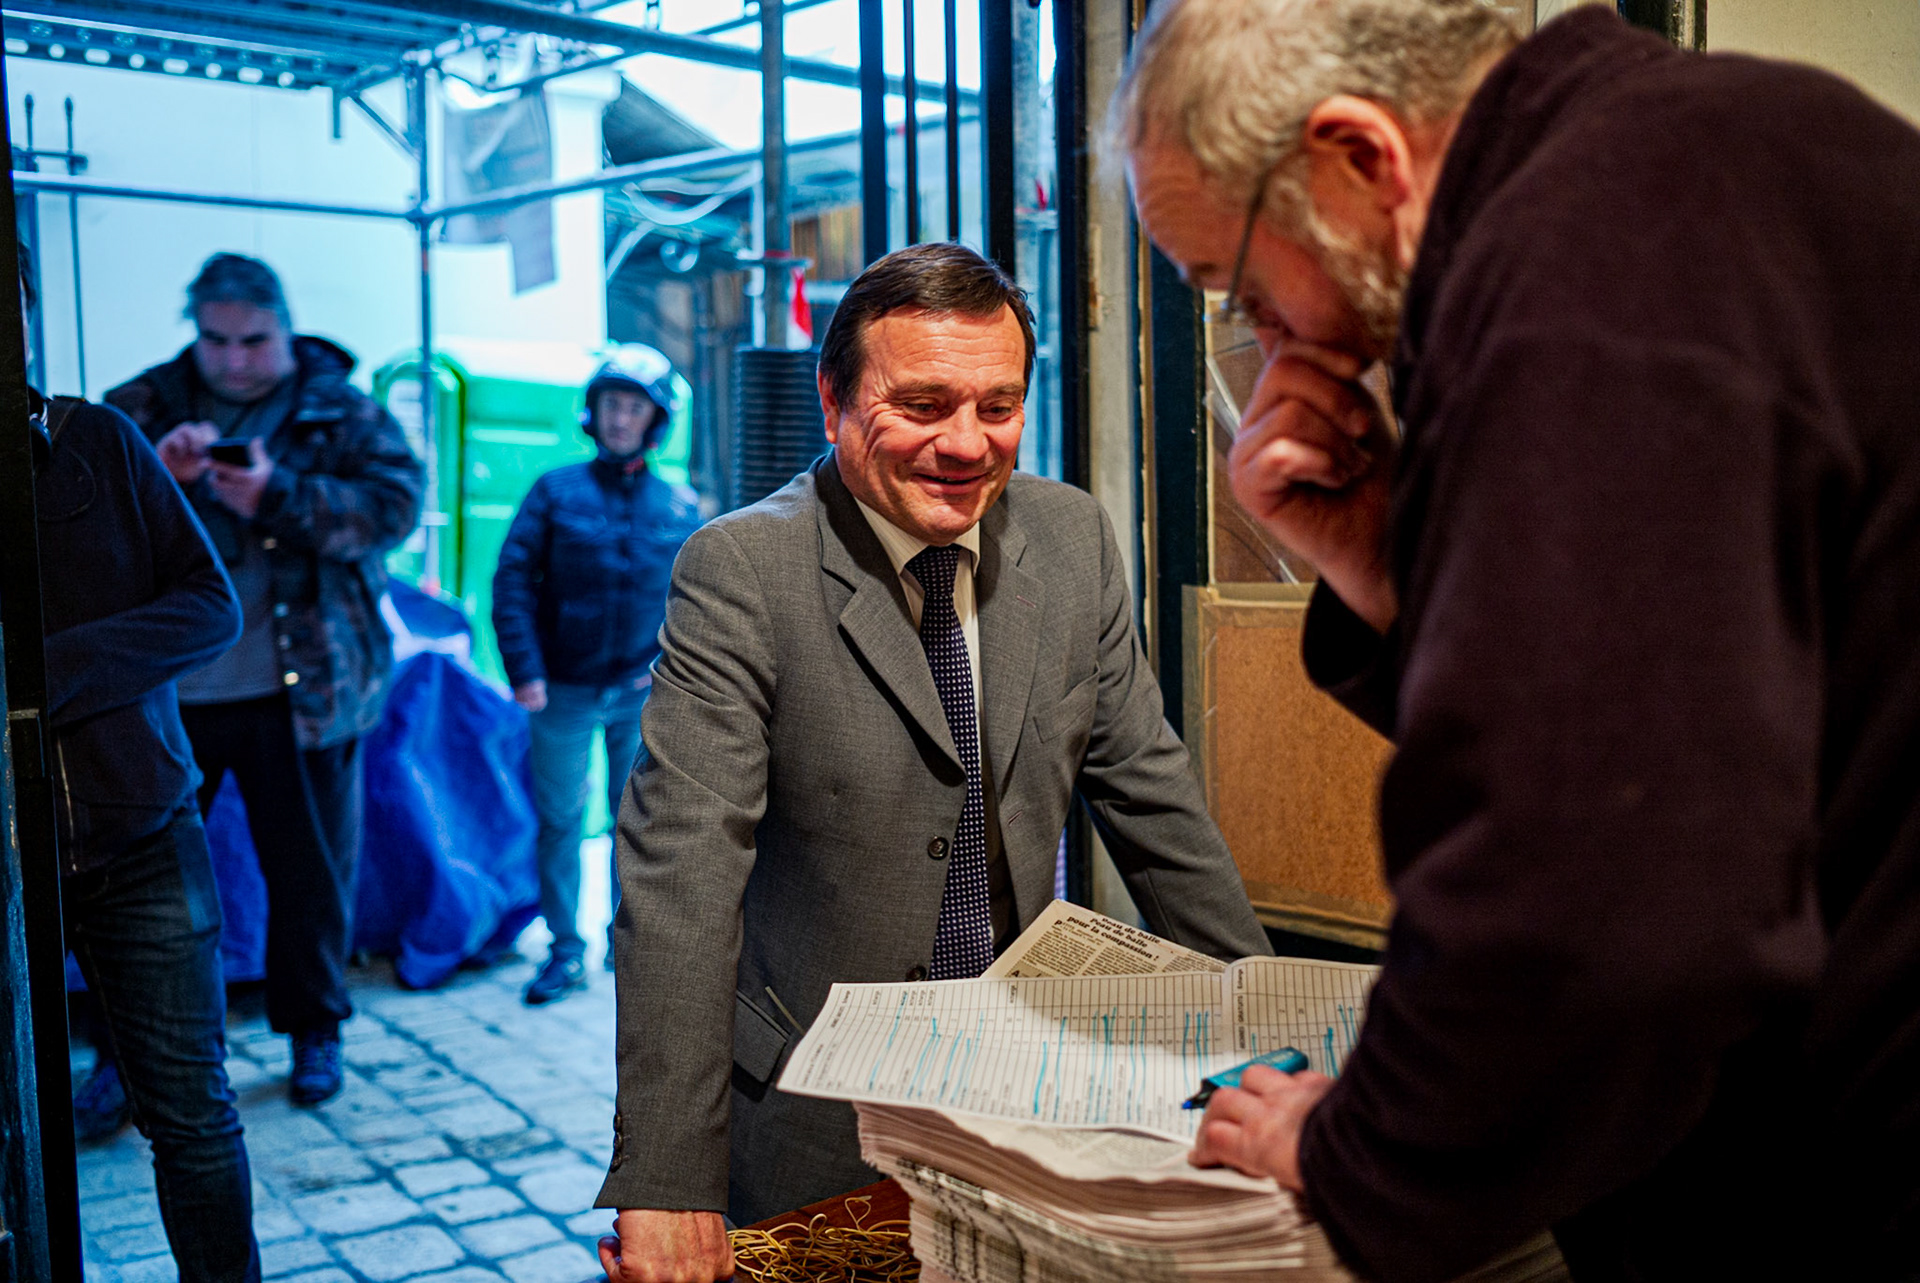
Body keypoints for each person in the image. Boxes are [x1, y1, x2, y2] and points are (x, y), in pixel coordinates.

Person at [1115, 2, 1920, 1280]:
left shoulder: (1587, 265)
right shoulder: (1741, 145)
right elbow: (1703, 707)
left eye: (1249, 291)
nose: (1275, 348)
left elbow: (1603, 888)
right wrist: (1385, 570)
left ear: (1357, 157)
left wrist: (1362, 1149)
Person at [594, 242, 1272, 1281]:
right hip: (810, 1106)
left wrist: (1268, 1033)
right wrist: (668, 1175)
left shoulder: (1072, 537)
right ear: (833, 400)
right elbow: (680, 876)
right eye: (922, 404)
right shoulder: (743, 570)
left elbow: (1153, 795)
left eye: (997, 406)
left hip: (1016, 1089)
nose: (966, 445)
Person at [106, 253, 424, 1106]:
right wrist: (154, 477)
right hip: (168, 693)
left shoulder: (340, 408)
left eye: (255, 339)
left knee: (311, 877)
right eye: (217, 339)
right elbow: (79, 522)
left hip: (311, 693)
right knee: (142, 888)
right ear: (194, 332)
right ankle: (124, 1051)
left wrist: (278, 495)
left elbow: (395, 506)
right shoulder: (137, 408)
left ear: (284, 329)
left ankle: (315, 1032)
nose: (236, 358)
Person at [25, 255, 262, 1281]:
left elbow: (210, 605)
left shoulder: (97, 441)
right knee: (19, 1131)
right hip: (10, 849)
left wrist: (39, 680)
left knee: (192, 1116)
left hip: (140, 828)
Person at [491, 345, 702, 1006]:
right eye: (611, 404)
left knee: (633, 820)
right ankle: (564, 948)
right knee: (559, 819)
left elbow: (694, 601)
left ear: (654, 419)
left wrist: (669, 673)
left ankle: (625, 942)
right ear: (594, 411)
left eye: (633, 406)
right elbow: (512, 585)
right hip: (559, 691)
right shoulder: (555, 492)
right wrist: (525, 671)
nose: (619, 418)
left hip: (638, 695)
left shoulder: (679, 504)